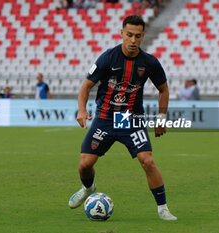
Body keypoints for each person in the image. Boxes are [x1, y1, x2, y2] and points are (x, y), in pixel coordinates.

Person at [68, 15, 177, 221]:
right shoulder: (107, 58)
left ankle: (162, 208)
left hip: (130, 119)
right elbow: (86, 86)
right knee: (84, 164)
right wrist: (82, 110)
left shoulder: (150, 63)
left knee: (148, 161)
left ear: (143, 36)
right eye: (129, 35)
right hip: (105, 118)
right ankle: (88, 188)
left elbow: (163, 89)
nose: (133, 40)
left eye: (137, 36)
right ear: (121, 34)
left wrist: (161, 117)